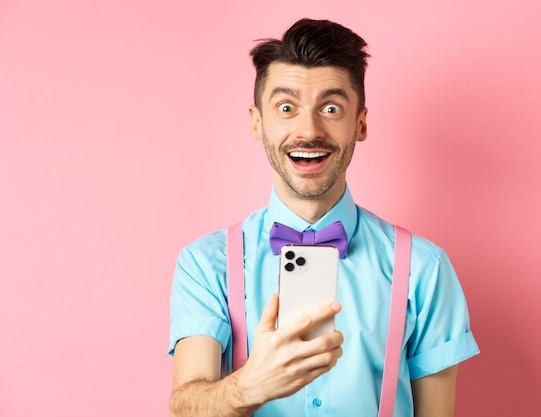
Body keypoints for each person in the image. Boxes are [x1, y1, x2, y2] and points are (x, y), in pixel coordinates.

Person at [168, 18, 479, 417]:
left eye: (331, 108)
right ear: (257, 121)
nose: (308, 130)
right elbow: (186, 407)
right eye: (286, 107)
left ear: (360, 123)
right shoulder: (205, 264)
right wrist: (251, 384)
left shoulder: (424, 268)